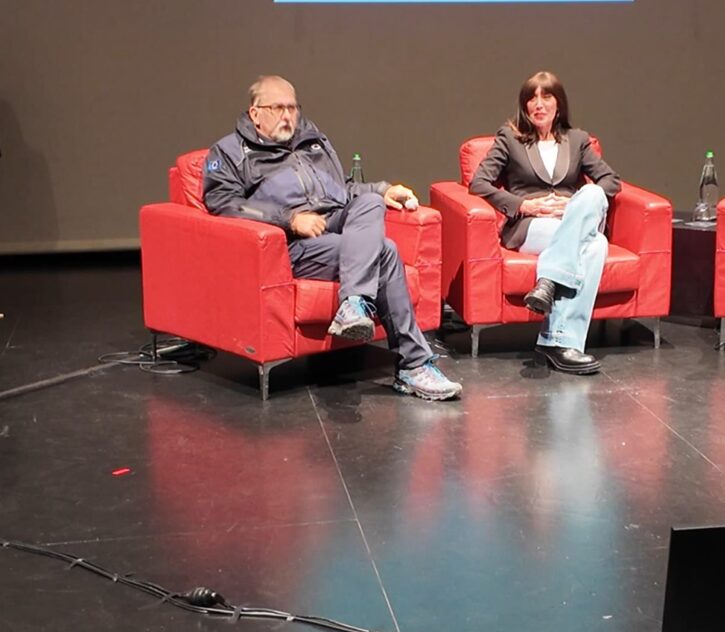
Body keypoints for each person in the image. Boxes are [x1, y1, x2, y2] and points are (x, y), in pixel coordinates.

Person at [202, 75, 462, 400]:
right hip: (290, 244)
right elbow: (224, 205)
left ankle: (354, 305)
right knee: (386, 251)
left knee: (369, 203)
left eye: (292, 108)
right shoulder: (229, 152)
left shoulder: (312, 140)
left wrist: (382, 190)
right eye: (278, 108)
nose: (288, 116)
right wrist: (289, 219)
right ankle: (413, 364)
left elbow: (343, 192)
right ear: (255, 113)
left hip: (335, 224)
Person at [469, 71, 621, 374]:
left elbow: (610, 181)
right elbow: (479, 183)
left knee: (592, 197)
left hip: (569, 222)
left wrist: (573, 205)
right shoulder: (510, 138)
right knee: (596, 244)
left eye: (546, 97)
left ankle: (552, 305)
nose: (538, 104)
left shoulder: (577, 140)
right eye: (531, 98)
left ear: (559, 104)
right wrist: (524, 205)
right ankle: (563, 344)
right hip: (532, 227)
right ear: (525, 106)